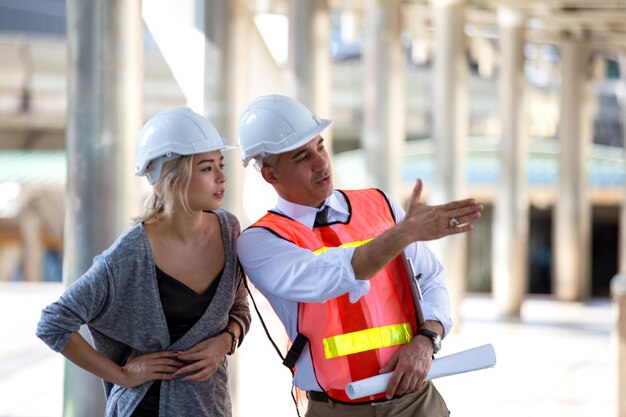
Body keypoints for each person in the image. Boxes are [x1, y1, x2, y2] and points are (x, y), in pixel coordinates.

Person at [236, 94, 484, 417]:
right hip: (336, 409)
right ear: (270, 175)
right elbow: (329, 276)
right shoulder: (259, 241)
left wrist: (427, 338)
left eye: (320, 146)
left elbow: (431, 276)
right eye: (301, 156)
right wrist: (404, 233)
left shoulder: (380, 205)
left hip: (416, 401)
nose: (321, 162)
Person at [36, 107, 251, 417]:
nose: (222, 177)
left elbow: (240, 311)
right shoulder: (131, 252)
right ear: (171, 175)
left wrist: (225, 342)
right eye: (206, 168)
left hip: (210, 407)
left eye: (220, 164)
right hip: (145, 408)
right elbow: (53, 324)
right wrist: (122, 375)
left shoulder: (229, 230)